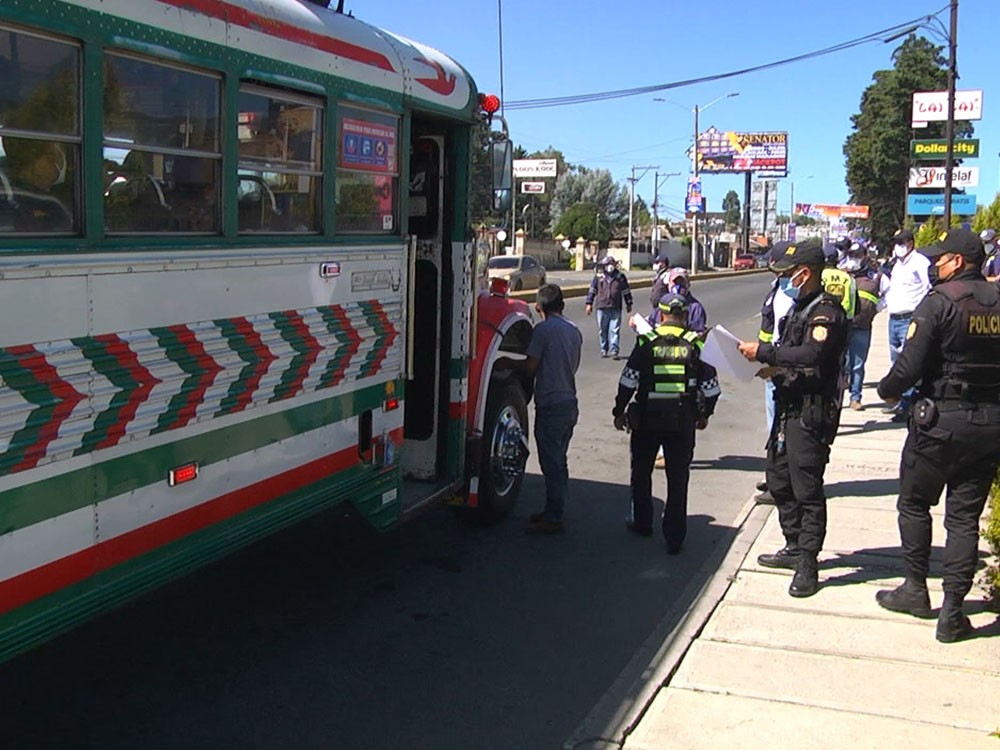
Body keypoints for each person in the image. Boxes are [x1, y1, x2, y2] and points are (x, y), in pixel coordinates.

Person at [874, 228, 1000, 643]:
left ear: (959, 262)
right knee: (964, 518)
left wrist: (885, 390)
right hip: (989, 425)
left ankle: (915, 589)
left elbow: (907, 369)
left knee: (913, 504)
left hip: (939, 423)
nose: (934, 265)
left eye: (940, 258)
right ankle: (952, 613)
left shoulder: (939, 303)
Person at [737, 238, 850, 597]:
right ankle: (792, 544)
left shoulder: (826, 312)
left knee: (807, 490)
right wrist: (774, 369)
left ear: (805, 273)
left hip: (811, 412)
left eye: (788, 274)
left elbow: (812, 353)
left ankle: (808, 563)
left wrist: (766, 352)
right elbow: (792, 357)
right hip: (788, 406)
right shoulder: (798, 309)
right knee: (779, 480)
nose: (786, 280)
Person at [612, 292, 721, 553]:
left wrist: (619, 409)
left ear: (661, 315)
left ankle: (642, 522)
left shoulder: (646, 341)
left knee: (641, 471)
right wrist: (705, 414)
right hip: (682, 421)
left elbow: (628, 379)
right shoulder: (697, 344)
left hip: (647, 418)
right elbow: (711, 387)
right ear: (685, 316)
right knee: (678, 477)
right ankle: (674, 537)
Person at [495, 284, 583, 534]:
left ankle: (554, 516)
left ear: (538, 307)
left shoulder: (542, 330)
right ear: (562, 306)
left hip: (551, 405)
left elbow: (531, 366)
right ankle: (553, 509)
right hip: (569, 403)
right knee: (560, 461)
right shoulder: (574, 330)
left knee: (552, 464)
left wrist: (506, 362)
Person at [754, 241, 798, 504]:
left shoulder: (790, 293)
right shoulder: (779, 289)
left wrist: (773, 364)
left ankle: (780, 484)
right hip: (772, 362)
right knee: (773, 426)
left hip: (780, 366)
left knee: (779, 428)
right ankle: (775, 477)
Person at [883, 228, 931, 421]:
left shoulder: (920, 263)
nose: (897, 247)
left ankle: (907, 405)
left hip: (909, 317)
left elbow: (928, 287)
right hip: (894, 318)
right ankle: (900, 401)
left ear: (910, 244)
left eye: (900, 243)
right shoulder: (897, 265)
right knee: (896, 363)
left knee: (908, 362)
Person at [843, 241, 889, 410]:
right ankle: (837, 395)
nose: (854, 259)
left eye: (857, 256)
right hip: (843, 326)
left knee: (857, 364)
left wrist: (877, 308)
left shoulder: (876, 276)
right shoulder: (843, 274)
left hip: (862, 325)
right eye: (851, 256)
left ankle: (855, 398)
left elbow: (888, 293)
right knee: (842, 363)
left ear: (864, 256)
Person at [585, 255, 633, 359]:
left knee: (614, 329)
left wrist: (629, 303)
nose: (609, 266)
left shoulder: (620, 277)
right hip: (601, 306)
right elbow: (592, 290)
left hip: (615, 306)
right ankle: (604, 349)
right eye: (607, 264)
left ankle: (614, 350)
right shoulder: (599, 277)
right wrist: (589, 303)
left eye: (611, 264)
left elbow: (626, 291)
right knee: (603, 329)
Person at [821, 241, 857, 319]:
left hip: (824, 317)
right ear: (837, 259)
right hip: (843, 320)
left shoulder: (820, 276)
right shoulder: (847, 277)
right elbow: (854, 301)